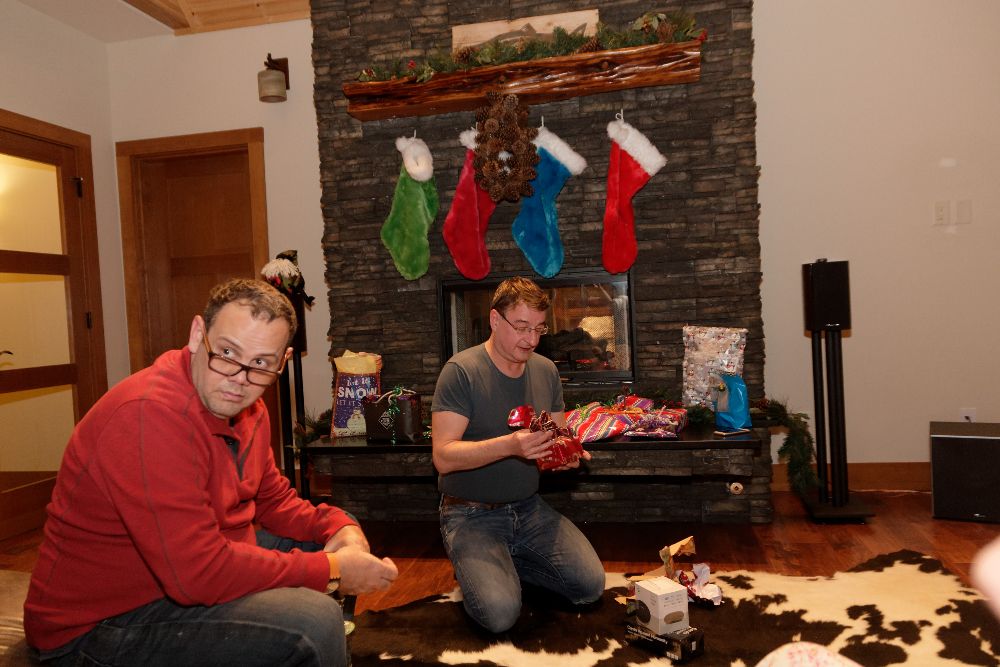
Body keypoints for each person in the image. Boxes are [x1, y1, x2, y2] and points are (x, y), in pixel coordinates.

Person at [23, 278, 397, 666]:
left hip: (182, 573)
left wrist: (339, 527)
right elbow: (197, 574)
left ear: (282, 361)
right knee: (313, 621)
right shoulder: (148, 416)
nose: (239, 378)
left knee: (335, 534)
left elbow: (274, 502)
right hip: (94, 628)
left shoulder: (249, 409)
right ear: (197, 334)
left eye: (261, 363)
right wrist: (332, 571)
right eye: (227, 352)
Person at [431, 276, 605, 633]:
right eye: (522, 327)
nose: (532, 340)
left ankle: (503, 567)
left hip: (529, 509)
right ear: (495, 319)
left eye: (539, 329)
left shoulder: (546, 370)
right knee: (499, 616)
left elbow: (555, 438)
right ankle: (482, 569)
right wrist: (509, 445)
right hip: (470, 515)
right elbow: (443, 457)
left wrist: (565, 455)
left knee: (590, 586)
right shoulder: (461, 372)